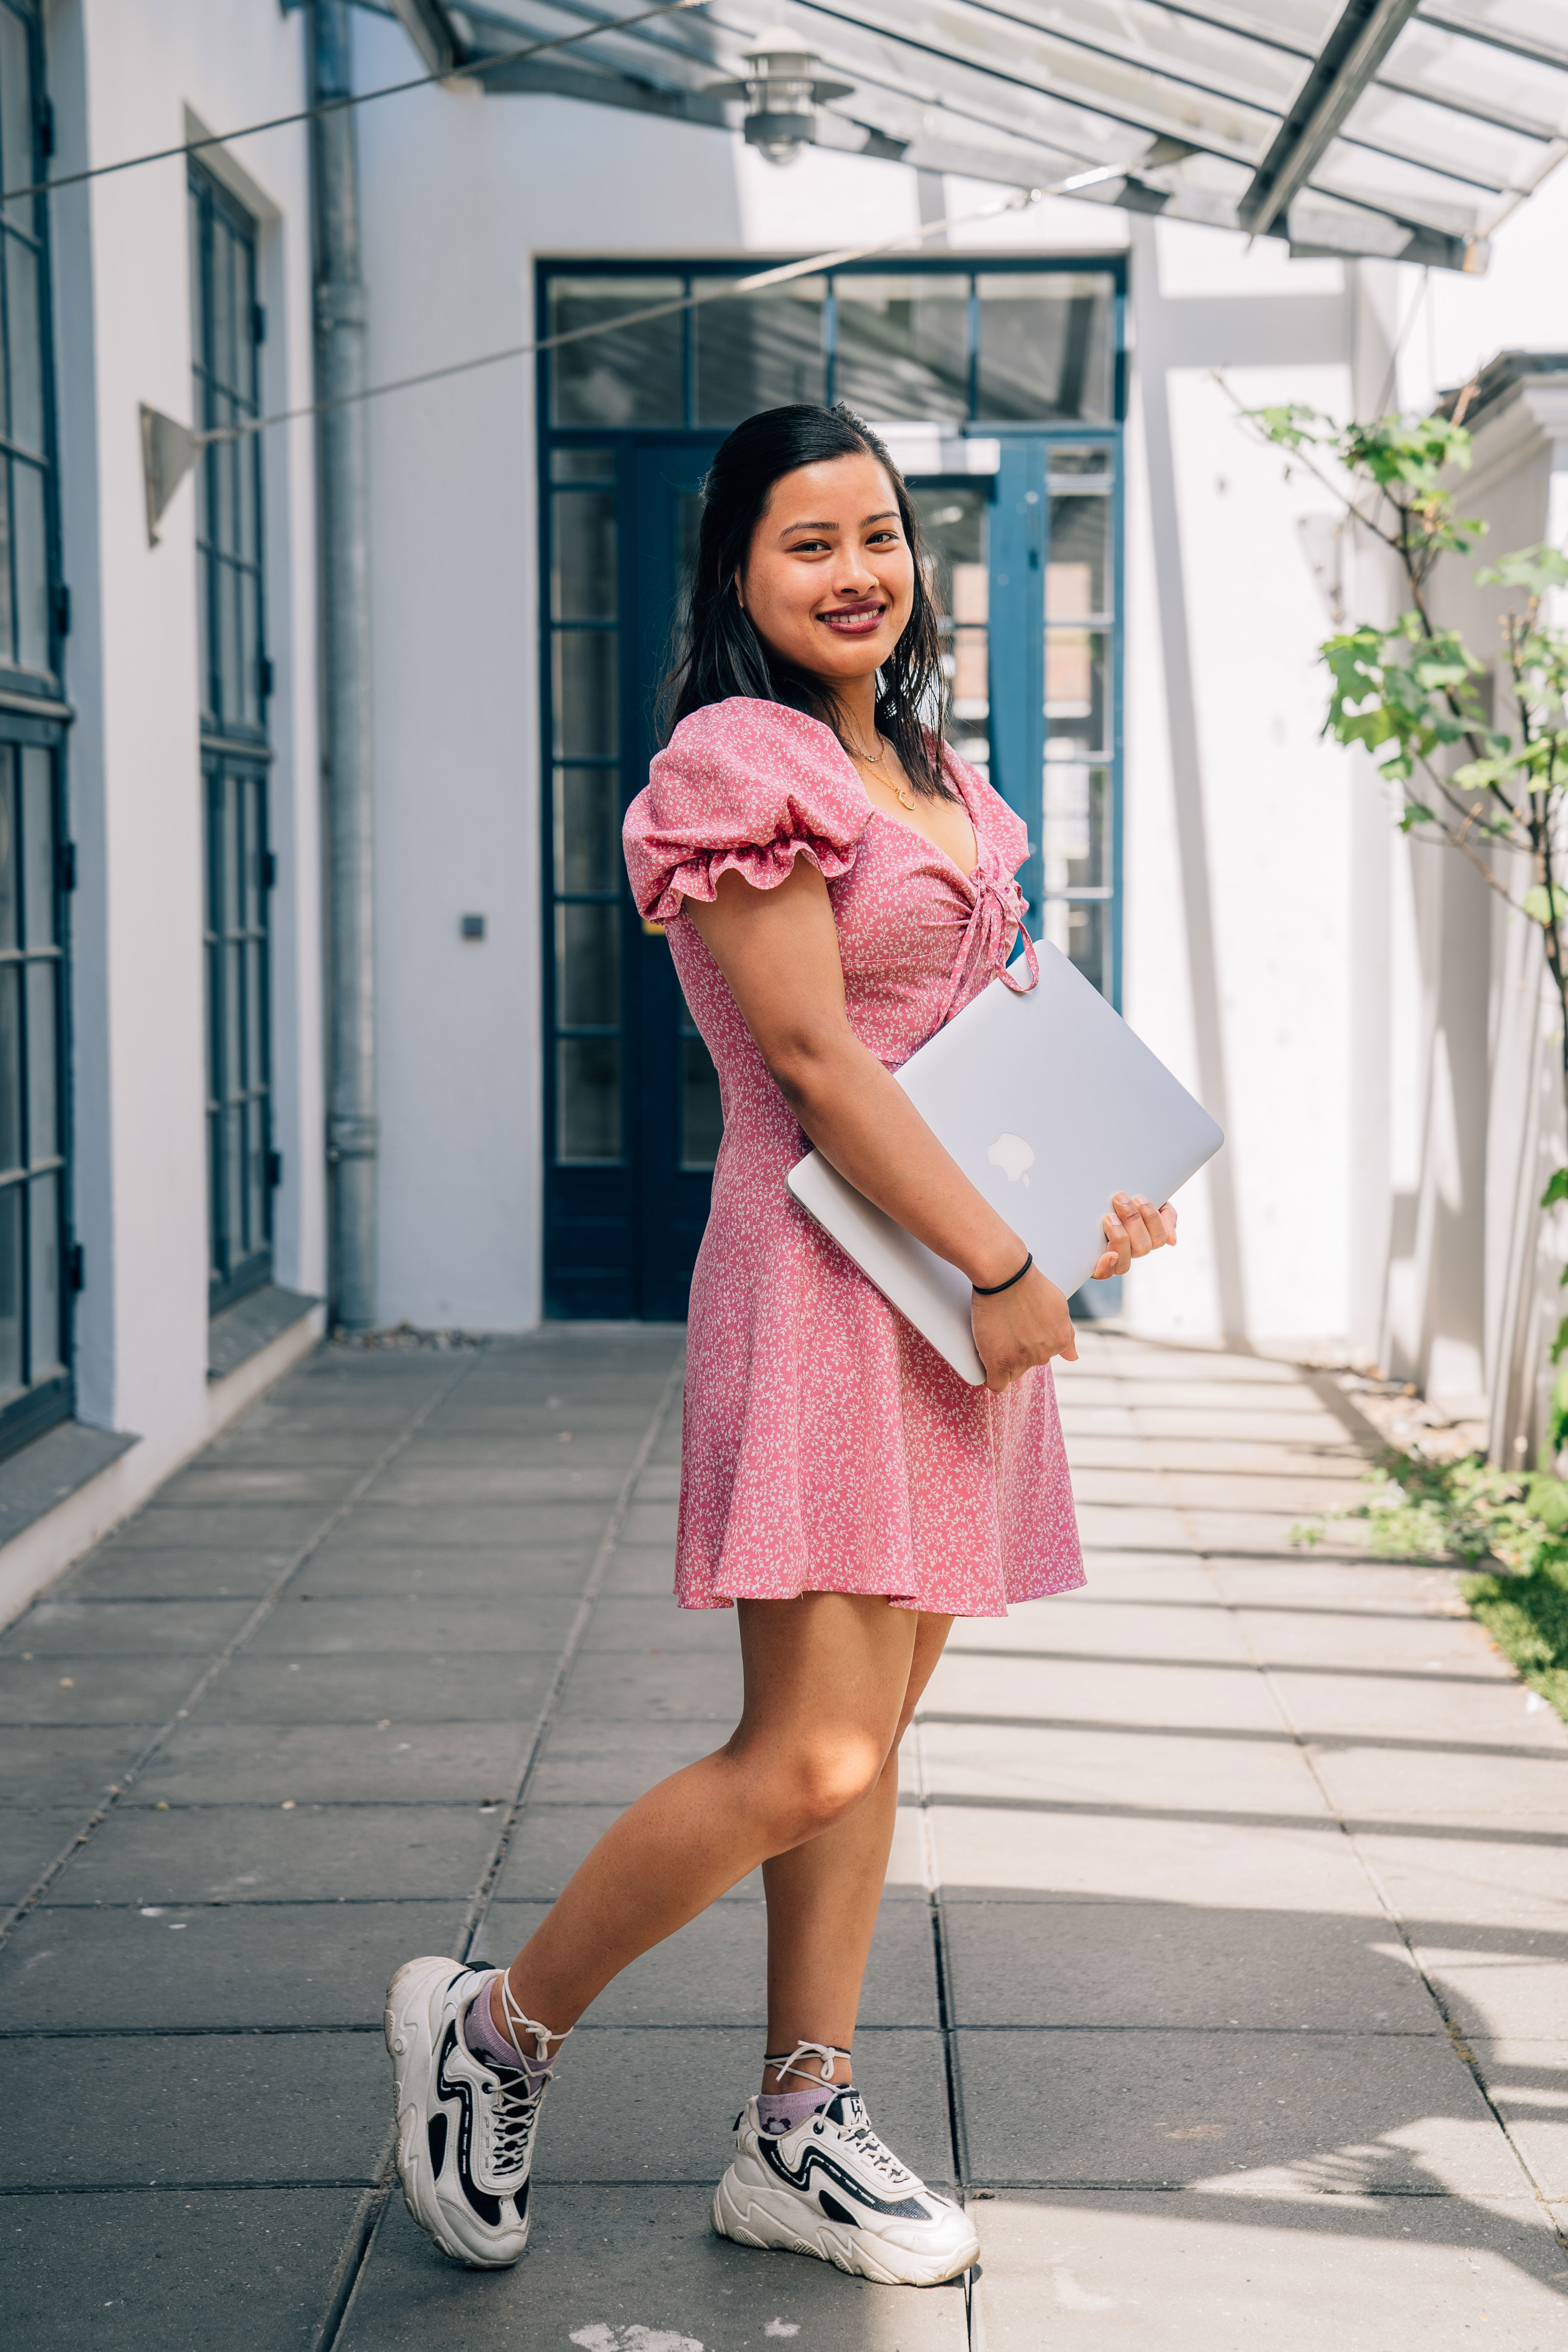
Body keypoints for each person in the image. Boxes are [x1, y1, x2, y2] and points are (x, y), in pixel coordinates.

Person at [383, 402, 1176, 2284]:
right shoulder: (735, 761)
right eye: (808, 543)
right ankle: (495, 2032)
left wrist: (1083, 1204)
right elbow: (819, 1065)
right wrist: (1003, 1259)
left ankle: (798, 2125)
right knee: (805, 1757)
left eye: (879, 536)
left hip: (944, 1278)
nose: (856, 573)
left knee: (872, 1740)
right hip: (834, 1281)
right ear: (736, 570)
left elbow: (973, 1047)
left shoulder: (924, 766)